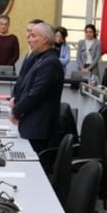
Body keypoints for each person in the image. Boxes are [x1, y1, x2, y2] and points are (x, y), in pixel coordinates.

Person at [10, 22, 65, 152]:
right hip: (33, 125)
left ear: (45, 39)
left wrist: (16, 111)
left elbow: (35, 94)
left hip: (39, 129)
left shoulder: (50, 62)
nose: (29, 39)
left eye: (33, 36)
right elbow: (26, 86)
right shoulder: (40, 59)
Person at [12, 19, 44, 102]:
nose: (28, 34)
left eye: (32, 31)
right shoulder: (29, 52)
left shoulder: (39, 55)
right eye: (27, 31)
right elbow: (22, 76)